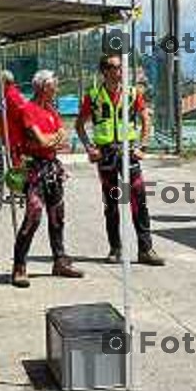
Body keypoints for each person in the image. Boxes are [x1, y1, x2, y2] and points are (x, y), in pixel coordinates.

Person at [75, 53, 165, 266]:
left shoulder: (133, 93)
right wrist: (89, 148)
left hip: (129, 152)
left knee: (138, 200)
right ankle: (115, 248)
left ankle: (146, 249)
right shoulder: (94, 95)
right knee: (112, 204)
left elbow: (145, 119)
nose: (120, 71)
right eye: (116, 67)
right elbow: (80, 124)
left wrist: (142, 146)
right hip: (105, 154)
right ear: (105, 71)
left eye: (121, 67)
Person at [12, 70, 84, 287]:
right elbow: (43, 141)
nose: (57, 89)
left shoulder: (51, 110)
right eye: (54, 85)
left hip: (52, 169)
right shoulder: (28, 110)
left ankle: (60, 261)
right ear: (44, 87)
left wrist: (49, 141)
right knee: (33, 216)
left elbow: (63, 138)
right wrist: (50, 141)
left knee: (58, 216)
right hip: (34, 170)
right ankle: (19, 266)